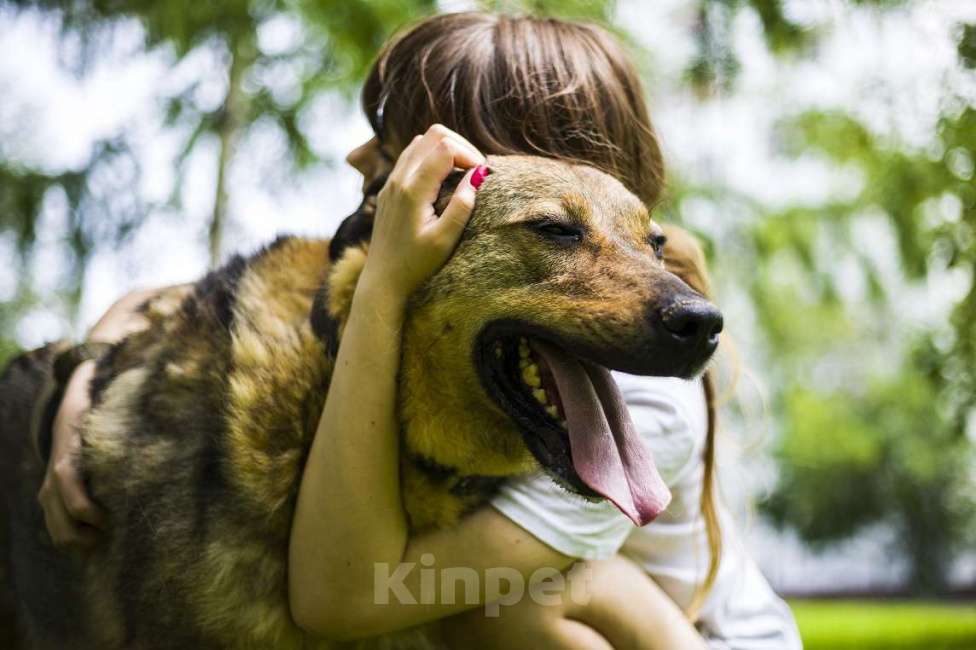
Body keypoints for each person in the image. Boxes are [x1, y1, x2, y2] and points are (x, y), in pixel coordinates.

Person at [40, 12, 801, 649]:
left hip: (712, 637)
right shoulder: (457, 296)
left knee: (511, 604)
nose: (358, 156)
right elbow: (181, 296)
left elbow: (346, 595)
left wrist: (385, 286)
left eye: (393, 136)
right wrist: (80, 385)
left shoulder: (644, 404)